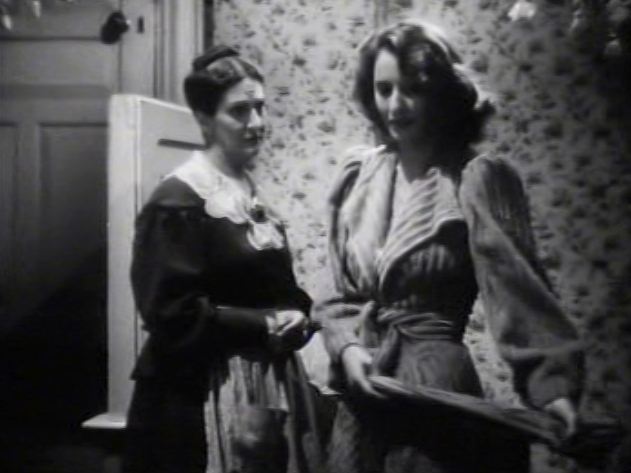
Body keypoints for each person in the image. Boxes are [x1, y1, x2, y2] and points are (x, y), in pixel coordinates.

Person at [314, 19, 584, 473]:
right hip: (365, 394)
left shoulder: (475, 178)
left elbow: (520, 296)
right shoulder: (358, 176)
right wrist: (348, 348)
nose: (395, 105)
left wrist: (554, 391)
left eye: (412, 89)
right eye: (383, 89)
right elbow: (335, 295)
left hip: (436, 389)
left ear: (442, 92)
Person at [123, 45, 323, 473]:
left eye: (261, 108)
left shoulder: (250, 192)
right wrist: (265, 324)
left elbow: (273, 286)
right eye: (240, 111)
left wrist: (299, 313)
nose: (257, 123)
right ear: (204, 119)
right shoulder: (177, 201)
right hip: (194, 398)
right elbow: (171, 314)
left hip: (262, 390)